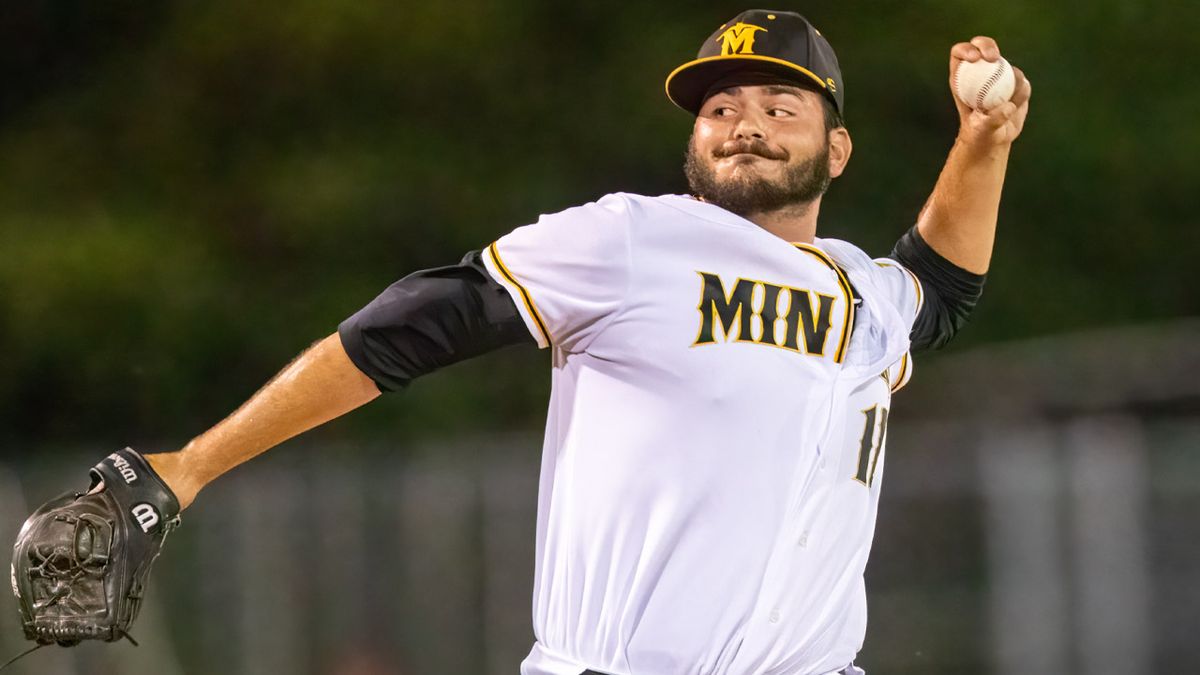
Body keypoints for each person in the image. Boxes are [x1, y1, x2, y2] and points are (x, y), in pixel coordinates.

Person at [131, 10, 1027, 675]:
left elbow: (939, 289)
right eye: (720, 107)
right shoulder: (632, 237)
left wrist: (983, 137)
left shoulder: (861, 290)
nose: (744, 120)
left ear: (838, 151)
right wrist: (192, 465)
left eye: (779, 104)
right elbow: (410, 325)